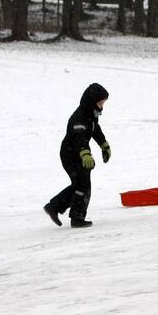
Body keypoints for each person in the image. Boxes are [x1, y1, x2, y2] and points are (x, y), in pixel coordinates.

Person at [44, 83, 111, 228]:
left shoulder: (91, 114)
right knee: (82, 185)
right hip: (71, 154)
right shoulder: (79, 117)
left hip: (78, 153)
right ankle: (75, 217)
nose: (102, 106)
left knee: (81, 184)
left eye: (103, 102)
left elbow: (94, 129)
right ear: (92, 101)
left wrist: (104, 144)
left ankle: (57, 208)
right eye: (100, 102)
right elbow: (78, 137)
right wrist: (85, 153)